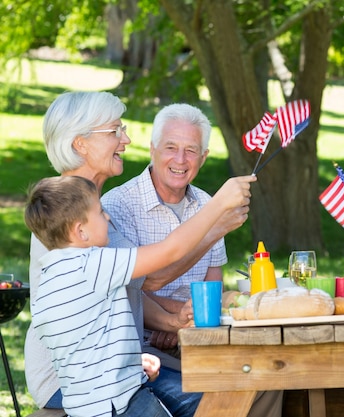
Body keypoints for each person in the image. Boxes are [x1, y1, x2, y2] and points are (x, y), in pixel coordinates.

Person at [24, 92, 249, 417]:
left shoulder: (92, 212)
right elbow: (152, 274)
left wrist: (171, 321)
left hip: (113, 367)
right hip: (76, 380)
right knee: (218, 401)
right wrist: (216, 215)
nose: (126, 139)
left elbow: (129, 290)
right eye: (114, 131)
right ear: (80, 144)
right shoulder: (67, 216)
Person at [101, 103, 284, 416]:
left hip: (200, 338)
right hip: (144, 345)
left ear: (204, 157)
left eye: (191, 150)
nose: (180, 160)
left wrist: (196, 319)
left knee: (273, 375)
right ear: (153, 149)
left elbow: (211, 290)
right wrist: (175, 321)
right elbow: (134, 291)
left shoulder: (207, 203)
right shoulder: (118, 206)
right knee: (229, 395)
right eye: (171, 147)